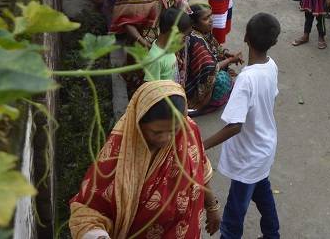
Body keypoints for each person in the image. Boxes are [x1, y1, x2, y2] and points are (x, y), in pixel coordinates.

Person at [69, 81, 220, 239]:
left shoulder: (188, 131)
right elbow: (89, 210)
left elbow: (201, 170)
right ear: (138, 123)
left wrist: (212, 206)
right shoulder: (117, 157)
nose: (167, 138)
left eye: (174, 130)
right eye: (157, 132)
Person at [204, 13, 282, 239]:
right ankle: (272, 234)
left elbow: (235, 126)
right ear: (274, 43)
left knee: (233, 213)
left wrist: (201, 144)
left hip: (249, 156)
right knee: (263, 194)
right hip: (263, 147)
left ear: (246, 37)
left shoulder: (246, 80)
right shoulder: (271, 66)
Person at [182, 5, 243, 114]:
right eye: (205, 18)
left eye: (211, 16)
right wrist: (230, 60)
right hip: (192, 85)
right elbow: (210, 68)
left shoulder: (204, 31)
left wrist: (227, 54)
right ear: (194, 24)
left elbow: (215, 48)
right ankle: (202, 105)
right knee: (222, 80)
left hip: (198, 75)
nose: (211, 20)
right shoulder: (196, 40)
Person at [144, 7, 192, 82]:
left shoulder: (168, 48)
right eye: (184, 36)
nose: (184, 40)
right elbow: (151, 88)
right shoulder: (155, 59)